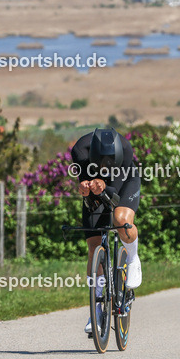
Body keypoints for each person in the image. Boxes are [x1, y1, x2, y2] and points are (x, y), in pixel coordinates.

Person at [71, 128, 142, 337]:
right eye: (101, 163)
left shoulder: (126, 150)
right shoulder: (80, 151)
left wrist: (104, 187)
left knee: (120, 219)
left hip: (124, 183)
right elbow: (83, 182)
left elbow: (115, 195)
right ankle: (96, 309)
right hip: (96, 188)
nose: (105, 167)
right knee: (94, 248)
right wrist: (84, 186)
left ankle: (133, 257)